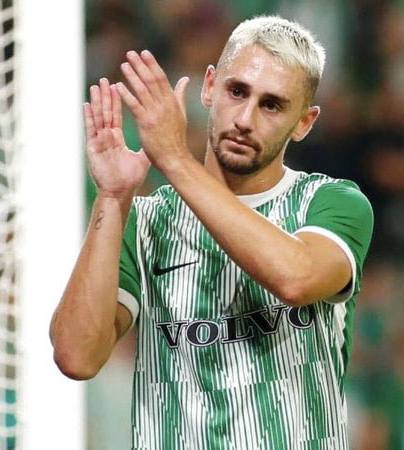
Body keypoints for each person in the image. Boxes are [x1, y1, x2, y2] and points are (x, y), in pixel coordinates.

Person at [50, 15, 374, 448]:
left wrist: (175, 159)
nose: (245, 119)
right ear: (209, 87)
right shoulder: (146, 221)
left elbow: (296, 279)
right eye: (236, 91)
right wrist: (112, 196)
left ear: (304, 122)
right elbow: (76, 357)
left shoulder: (332, 204)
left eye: (272, 105)